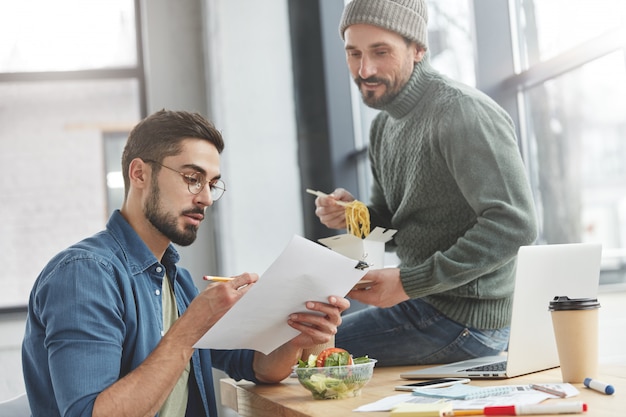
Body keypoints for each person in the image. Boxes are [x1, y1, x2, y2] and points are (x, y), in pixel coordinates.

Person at [22, 110, 350, 417]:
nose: (206, 197)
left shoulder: (177, 281)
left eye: (211, 183)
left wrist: (295, 332)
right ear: (140, 174)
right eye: (193, 178)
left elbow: (252, 366)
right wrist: (190, 328)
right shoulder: (84, 273)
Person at [312, 0, 538, 367]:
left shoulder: (462, 111)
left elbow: (515, 224)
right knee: (298, 335)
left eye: (380, 52)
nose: (364, 69)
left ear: (418, 49)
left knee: (295, 349)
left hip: (466, 321)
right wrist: (353, 215)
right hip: (424, 302)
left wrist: (407, 282)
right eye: (353, 53)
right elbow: (394, 223)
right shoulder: (384, 125)